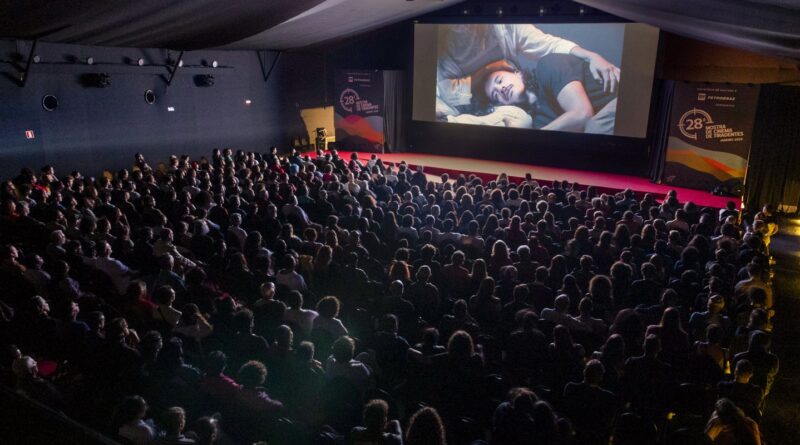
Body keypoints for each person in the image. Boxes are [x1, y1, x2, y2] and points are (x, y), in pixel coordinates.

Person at [436, 24, 620, 118]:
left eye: (499, 81)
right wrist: (489, 69)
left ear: (516, 72)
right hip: (466, 101)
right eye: (495, 93)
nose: (501, 89)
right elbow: (447, 92)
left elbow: (549, 44)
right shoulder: (444, 50)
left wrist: (592, 56)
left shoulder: (549, 66)